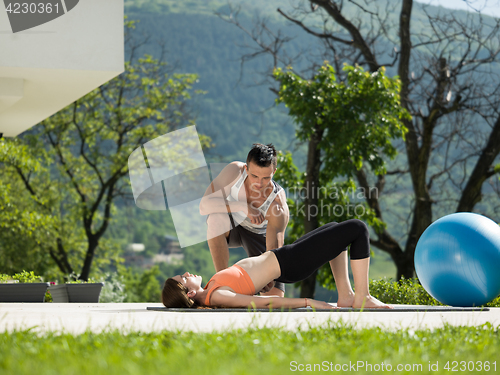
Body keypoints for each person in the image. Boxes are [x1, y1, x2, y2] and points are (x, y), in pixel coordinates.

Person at [162, 219, 392, 309]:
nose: (186, 273)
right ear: (190, 293)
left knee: (334, 228)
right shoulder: (217, 296)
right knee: (358, 228)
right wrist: (308, 301)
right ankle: (363, 296)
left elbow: (249, 283)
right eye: (182, 278)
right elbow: (264, 303)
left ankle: (347, 295)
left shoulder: (212, 288)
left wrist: (259, 280)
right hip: (290, 263)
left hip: (285, 257)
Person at [199, 143, 289, 297]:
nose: (259, 184)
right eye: (254, 176)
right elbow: (204, 206)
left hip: (260, 236)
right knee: (215, 217)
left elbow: (274, 250)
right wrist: (242, 206)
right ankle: (222, 285)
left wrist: (268, 275)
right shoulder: (234, 172)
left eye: (266, 178)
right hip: (232, 226)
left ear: (274, 172)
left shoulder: (277, 205)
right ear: (246, 169)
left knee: (273, 300)